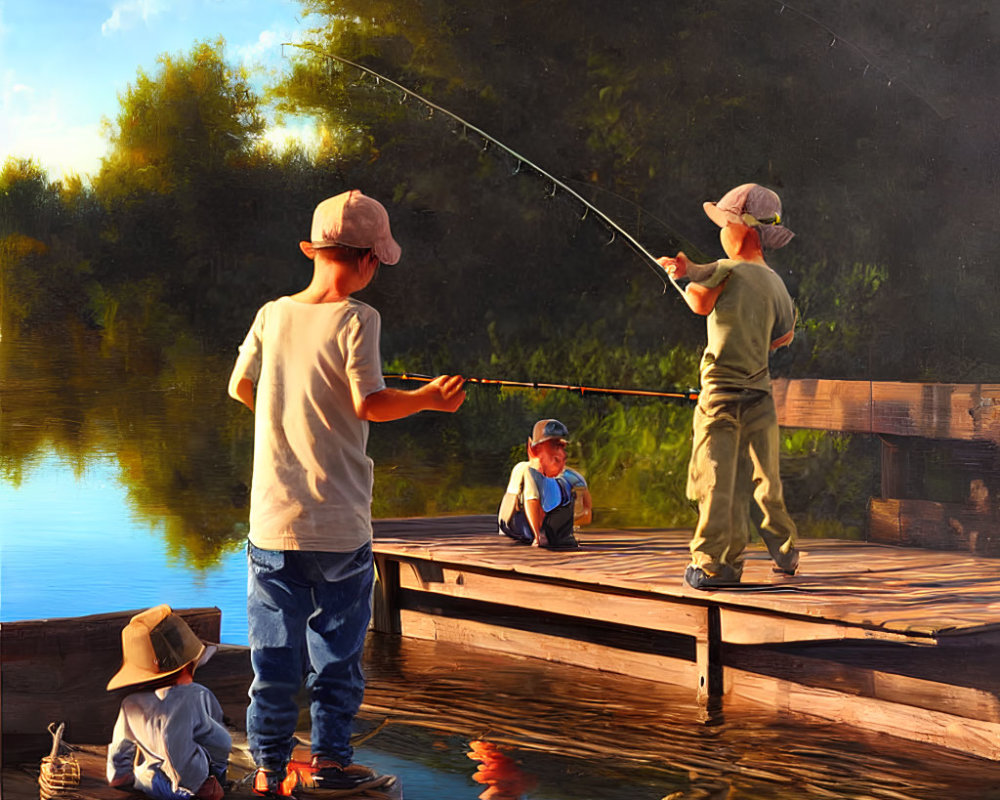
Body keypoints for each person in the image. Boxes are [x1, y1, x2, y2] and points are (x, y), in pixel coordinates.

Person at [227, 189, 465, 797]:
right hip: (340, 527)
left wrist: (285, 420)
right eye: (377, 263)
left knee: (273, 660)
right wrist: (427, 399)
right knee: (336, 657)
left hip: (272, 524)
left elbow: (241, 387)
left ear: (314, 250)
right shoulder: (360, 318)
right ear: (365, 260)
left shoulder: (271, 314)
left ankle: (267, 770)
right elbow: (370, 403)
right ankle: (330, 764)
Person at [657, 183, 800, 589]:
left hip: (720, 394)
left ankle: (715, 565)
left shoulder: (726, 268)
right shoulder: (776, 285)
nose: (721, 231)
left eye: (725, 223)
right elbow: (782, 337)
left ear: (745, 231)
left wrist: (677, 279)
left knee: (716, 480)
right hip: (760, 396)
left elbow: (700, 303)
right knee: (765, 479)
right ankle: (786, 552)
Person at [106, 605, 230, 800]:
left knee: (144, 773)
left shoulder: (130, 704)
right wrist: (216, 770)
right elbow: (218, 741)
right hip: (193, 786)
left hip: (154, 781)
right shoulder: (195, 696)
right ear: (187, 668)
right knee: (217, 744)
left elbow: (121, 747)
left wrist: (119, 774)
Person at [498, 419, 592, 550]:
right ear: (533, 450)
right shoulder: (524, 469)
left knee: (567, 487)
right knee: (529, 474)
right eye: (553, 446)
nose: (560, 454)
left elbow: (587, 513)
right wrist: (537, 536)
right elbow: (531, 499)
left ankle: (550, 534)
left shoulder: (571, 478)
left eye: (561, 447)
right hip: (518, 524)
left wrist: (572, 520)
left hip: (548, 524)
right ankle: (539, 534)